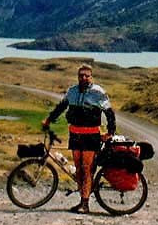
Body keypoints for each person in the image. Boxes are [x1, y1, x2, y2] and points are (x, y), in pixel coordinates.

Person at [42, 63, 116, 214]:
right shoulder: (72, 91)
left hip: (91, 136)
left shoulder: (98, 92)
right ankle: (82, 199)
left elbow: (109, 113)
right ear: (78, 77)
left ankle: (85, 204)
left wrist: (110, 132)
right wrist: (49, 120)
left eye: (87, 76)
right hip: (75, 134)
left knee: (87, 169)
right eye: (81, 75)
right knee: (79, 170)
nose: (84, 78)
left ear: (91, 77)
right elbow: (61, 107)